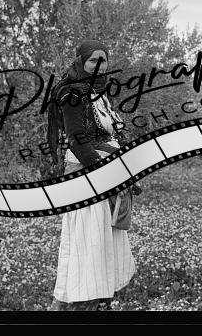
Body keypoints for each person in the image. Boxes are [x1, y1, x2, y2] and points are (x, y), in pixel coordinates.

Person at [47, 39, 139, 311]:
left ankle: (102, 297)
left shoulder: (99, 92)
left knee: (105, 234)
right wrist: (105, 171)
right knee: (85, 238)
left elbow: (110, 130)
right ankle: (66, 300)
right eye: (93, 60)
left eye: (104, 60)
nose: (100, 66)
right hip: (86, 174)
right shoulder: (72, 92)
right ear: (81, 62)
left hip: (105, 171)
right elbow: (77, 139)